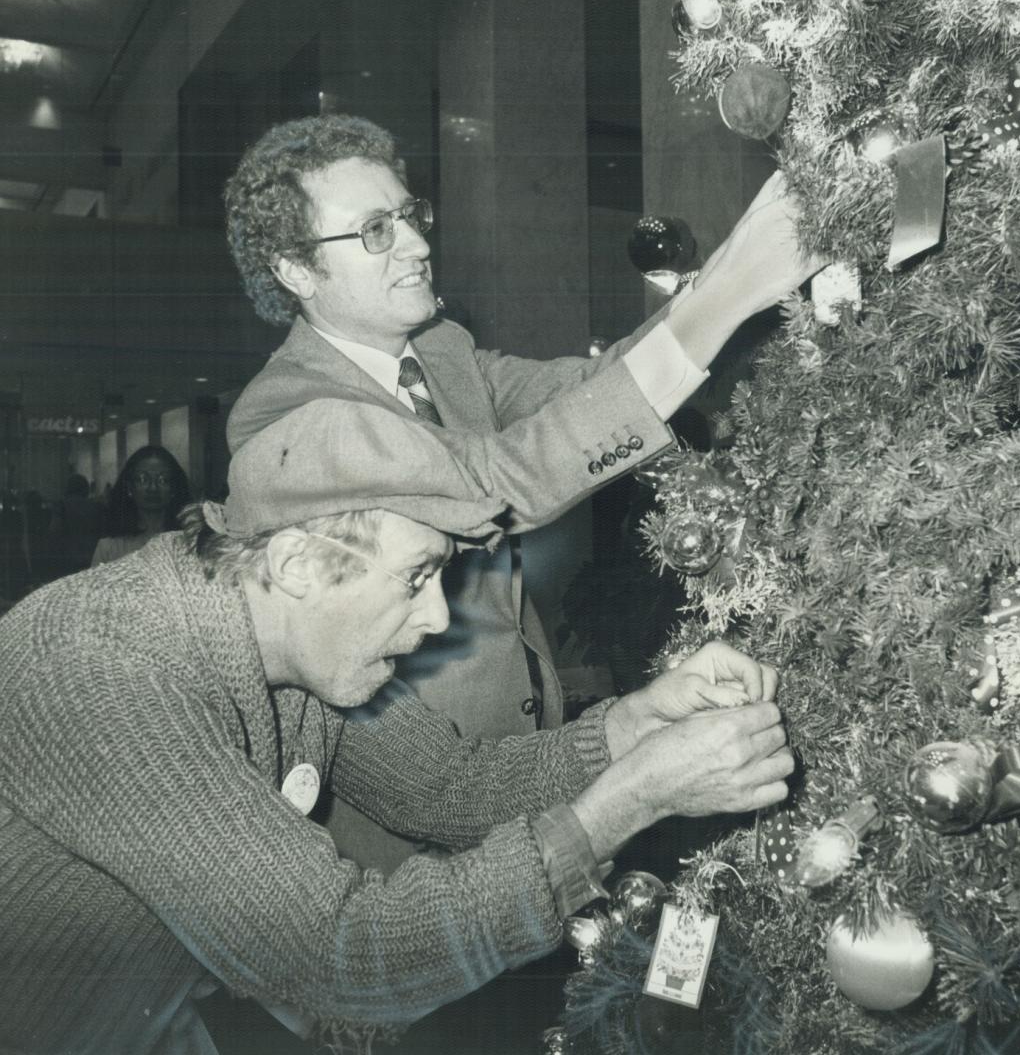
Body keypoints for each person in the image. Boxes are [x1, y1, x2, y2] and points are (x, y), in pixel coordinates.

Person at [0, 399, 793, 1054]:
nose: (439, 616)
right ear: (299, 565)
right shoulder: (105, 667)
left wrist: (632, 724)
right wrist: (628, 802)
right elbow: (341, 955)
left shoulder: (295, 642)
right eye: (416, 577)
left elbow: (451, 788)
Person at [223, 113, 819, 870]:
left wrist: (732, 277)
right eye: (375, 230)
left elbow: (587, 389)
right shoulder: (288, 415)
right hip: (410, 838)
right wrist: (722, 300)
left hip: (532, 758)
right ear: (296, 271)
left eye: (410, 216)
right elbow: (495, 481)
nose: (416, 244)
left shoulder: (439, 352)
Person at [91, 444, 194, 566]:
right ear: (129, 487)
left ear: (174, 488)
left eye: (163, 480)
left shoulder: (190, 543)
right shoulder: (108, 548)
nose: (153, 488)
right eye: (143, 479)